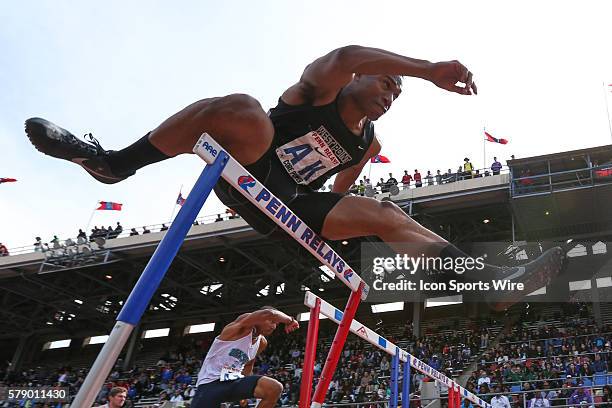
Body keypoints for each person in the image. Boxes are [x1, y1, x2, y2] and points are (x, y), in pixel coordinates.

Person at [25, 45, 563, 309]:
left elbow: (338, 196)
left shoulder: (366, 142)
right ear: (356, 81)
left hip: (288, 205)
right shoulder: (320, 90)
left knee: (387, 214)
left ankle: (490, 284)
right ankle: (114, 164)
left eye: (398, 94)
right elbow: (349, 54)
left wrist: (345, 238)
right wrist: (425, 71)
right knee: (243, 109)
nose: (391, 94)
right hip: (246, 170)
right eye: (386, 84)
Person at [190, 306, 299, 408]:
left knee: (274, 388)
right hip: (210, 384)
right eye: (272, 321)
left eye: (276, 323)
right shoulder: (241, 327)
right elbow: (268, 313)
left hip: (233, 381)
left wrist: (245, 395)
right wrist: (290, 320)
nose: (274, 326)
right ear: (259, 319)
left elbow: (248, 364)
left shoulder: (262, 342)